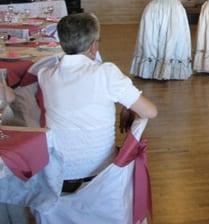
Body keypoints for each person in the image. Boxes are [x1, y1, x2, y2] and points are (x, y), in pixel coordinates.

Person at [38, 13, 157, 192]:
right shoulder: (106, 73)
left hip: (58, 175)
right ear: (94, 46)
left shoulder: (45, 75)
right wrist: (127, 103)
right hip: (102, 175)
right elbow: (150, 112)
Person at [130, 0, 192, 80]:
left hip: (175, 10)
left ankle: (171, 68)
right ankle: (154, 69)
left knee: (174, 37)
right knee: (159, 37)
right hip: (160, 11)